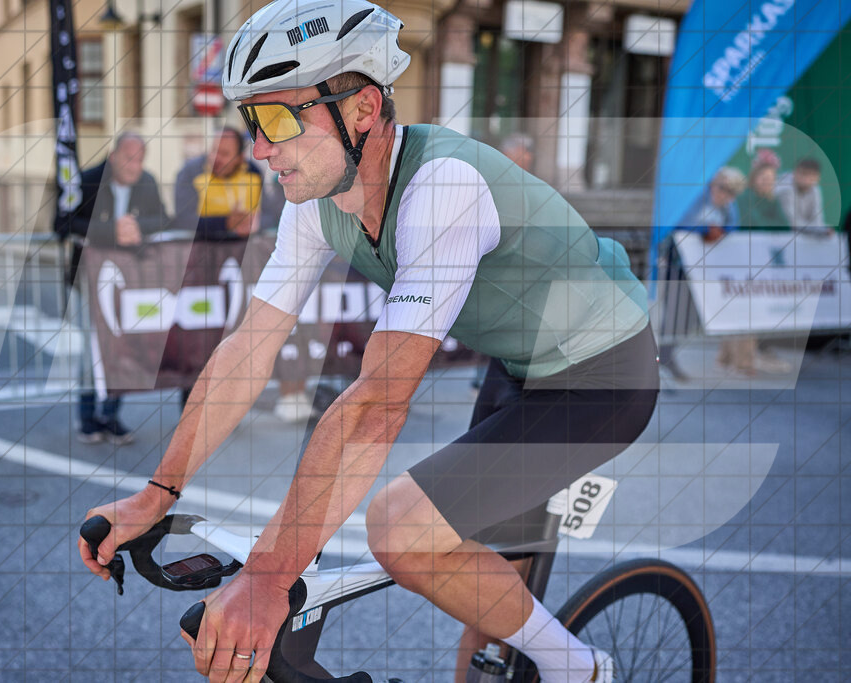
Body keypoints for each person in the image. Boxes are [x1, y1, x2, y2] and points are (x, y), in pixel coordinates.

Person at [79, 2, 657, 682]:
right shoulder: (319, 200)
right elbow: (249, 349)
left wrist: (267, 579)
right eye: (251, 122)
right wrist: (157, 493)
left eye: (277, 120)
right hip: (520, 365)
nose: (261, 148)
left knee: (402, 529)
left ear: (362, 110)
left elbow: (377, 406)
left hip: (603, 371)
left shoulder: (443, 187)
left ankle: (584, 670)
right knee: (483, 622)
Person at [174, 127, 316, 422]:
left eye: (224, 153)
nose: (215, 158)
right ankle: (192, 412)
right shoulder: (190, 172)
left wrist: (253, 223)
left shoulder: (252, 172)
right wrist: (226, 223)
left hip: (241, 270)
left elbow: (268, 212)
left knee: (237, 336)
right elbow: (183, 219)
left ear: (240, 157)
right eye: (213, 151)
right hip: (199, 271)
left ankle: (228, 406)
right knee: (199, 337)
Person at [58, 132, 170, 444]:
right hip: (86, 279)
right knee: (92, 350)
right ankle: (87, 418)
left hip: (127, 280)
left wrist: (138, 227)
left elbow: (164, 218)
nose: (134, 166)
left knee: (122, 345)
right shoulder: (87, 181)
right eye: (128, 158)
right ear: (113, 157)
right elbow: (63, 223)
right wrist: (110, 231)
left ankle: (110, 415)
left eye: (140, 159)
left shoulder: (147, 182)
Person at [659, 167, 746, 381]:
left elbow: (734, 225)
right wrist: (705, 230)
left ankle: (667, 356)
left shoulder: (728, 205)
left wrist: (721, 231)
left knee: (689, 316)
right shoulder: (697, 197)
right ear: (714, 184)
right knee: (674, 312)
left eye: (731, 193)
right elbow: (680, 221)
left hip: (703, 269)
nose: (724, 195)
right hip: (678, 264)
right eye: (722, 189)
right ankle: (661, 358)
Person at [720, 149, 792, 376]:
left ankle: (726, 358)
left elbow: (784, 226)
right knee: (745, 312)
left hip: (761, 264)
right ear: (754, 177)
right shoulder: (745, 198)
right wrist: (771, 226)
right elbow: (756, 224)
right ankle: (743, 362)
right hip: (743, 262)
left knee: (745, 311)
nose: (767, 182)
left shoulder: (772, 200)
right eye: (764, 177)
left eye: (771, 178)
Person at [775, 157, 828, 235]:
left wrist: (821, 229)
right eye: (803, 173)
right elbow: (792, 222)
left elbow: (818, 219)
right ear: (795, 173)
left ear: (817, 177)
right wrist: (819, 230)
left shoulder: (815, 189)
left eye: (811, 175)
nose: (806, 178)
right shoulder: (785, 187)